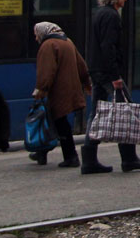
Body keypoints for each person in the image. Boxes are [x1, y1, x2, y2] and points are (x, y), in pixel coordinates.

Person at [83, 0, 140, 174]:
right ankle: (129, 158)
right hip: (107, 73)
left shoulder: (99, 14)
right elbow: (108, 47)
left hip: (96, 70)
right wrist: (115, 76)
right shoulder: (112, 16)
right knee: (126, 110)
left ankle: (89, 160)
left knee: (96, 114)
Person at [31, 22, 90, 168]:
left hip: (58, 91)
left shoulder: (48, 45)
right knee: (55, 122)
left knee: (56, 122)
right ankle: (41, 153)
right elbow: (81, 64)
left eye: (36, 34)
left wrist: (40, 89)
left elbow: (46, 71)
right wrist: (87, 82)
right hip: (71, 89)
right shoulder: (67, 41)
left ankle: (70, 157)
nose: (36, 38)